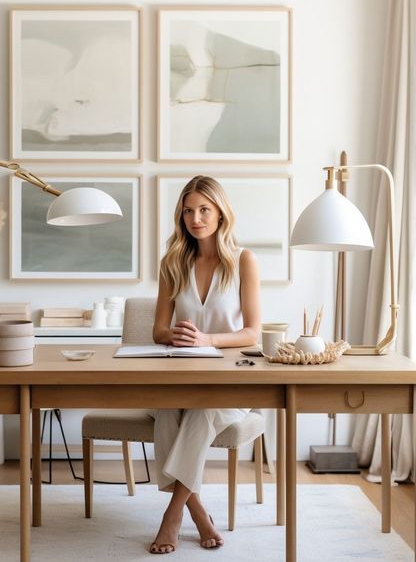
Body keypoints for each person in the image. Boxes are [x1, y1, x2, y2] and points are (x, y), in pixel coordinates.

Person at [149, 175, 261, 554]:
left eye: (203, 209)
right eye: (187, 211)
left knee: (199, 413)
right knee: (167, 412)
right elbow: (158, 330)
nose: (195, 218)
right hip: (179, 374)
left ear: (220, 212)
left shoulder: (243, 260)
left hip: (231, 382)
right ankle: (198, 509)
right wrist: (175, 336)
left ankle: (173, 515)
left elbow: (253, 333)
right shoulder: (173, 262)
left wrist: (208, 339)